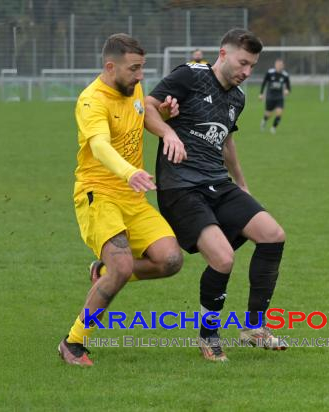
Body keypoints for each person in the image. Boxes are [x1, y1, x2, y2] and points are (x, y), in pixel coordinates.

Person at [145, 28, 287, 362]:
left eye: (252, 66)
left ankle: (254, 327)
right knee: (223, 259)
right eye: (243, 63)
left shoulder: (238, 97)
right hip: (181, 186)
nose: (247, 72)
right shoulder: (190, 76)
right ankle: (208, 337)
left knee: (273, 235)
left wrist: (241, 183)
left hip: (218, 183)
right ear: (223, 54)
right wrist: (168, 134)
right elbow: (148, 106)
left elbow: (225, 140)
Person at [58, 33, 187, 367]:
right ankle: (73, 342)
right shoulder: (91, 101)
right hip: (98, 193)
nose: (141, 75)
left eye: (142, 68)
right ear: (110, 66)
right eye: (134, 69)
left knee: (171, 260)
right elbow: (100, 146)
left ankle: (104, 271)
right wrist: (130, 172)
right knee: (123, 266)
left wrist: (166, 117)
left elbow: (144, 115)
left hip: (132, 197)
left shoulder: (134, 88)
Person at [259, 58, 291, 134]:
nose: (279, 66)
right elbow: (264, 83)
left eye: (281, 65)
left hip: (279, 97)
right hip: (270, 97)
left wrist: (287, 90)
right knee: (268, 114)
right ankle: (264, 120)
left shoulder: (285, 75)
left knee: (279, 113)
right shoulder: (270, 73)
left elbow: (288, 86)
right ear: (275, 65)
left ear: (283, 66)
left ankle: (273, 128)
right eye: (278, 64)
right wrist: (261, 93)